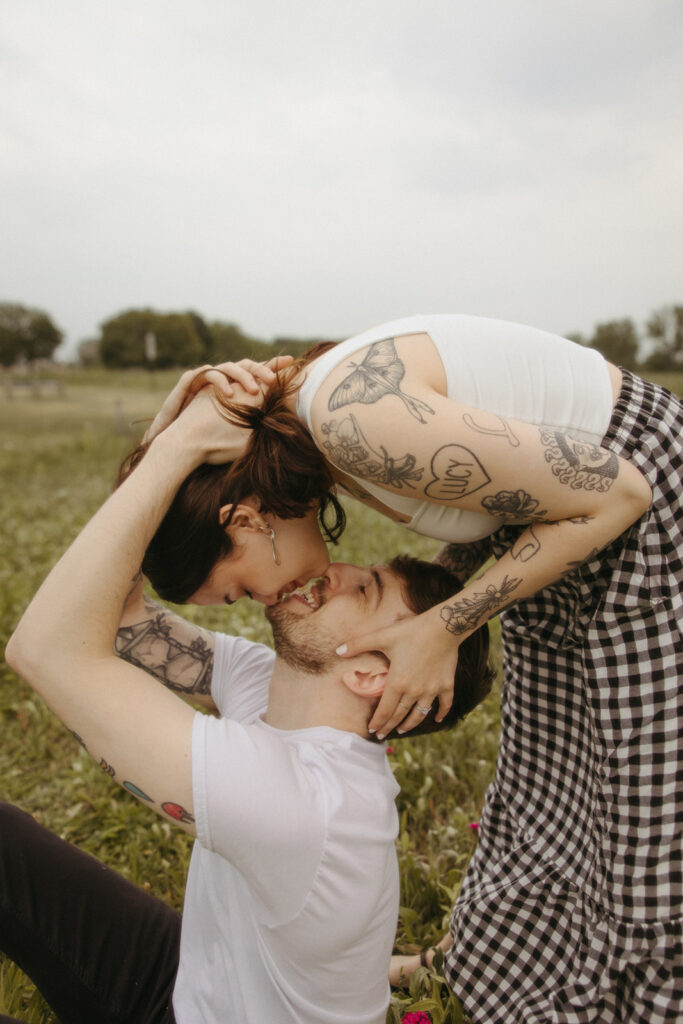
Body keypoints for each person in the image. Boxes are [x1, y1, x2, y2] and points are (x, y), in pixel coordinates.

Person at [126, 315, 682, 1022]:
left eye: (240, 589)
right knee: (547, 778)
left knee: (639, 810)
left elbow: (621, 494)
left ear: (242, 519)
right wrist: (168, 439)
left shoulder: (347, 421)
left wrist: (441, 627)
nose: (268, 602)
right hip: (570, 537)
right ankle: (485, 964)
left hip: (651, 533)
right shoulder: (309, 434)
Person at [2, 385, 493, 1024]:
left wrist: (179, 445)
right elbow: (124, 617)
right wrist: (171, 441)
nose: (338, 570)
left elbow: (46, 648)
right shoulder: (273, 685)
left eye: (366, 589)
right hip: (195, 978)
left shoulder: (306, 807)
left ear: (375, 675)